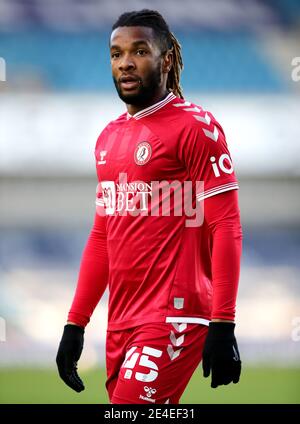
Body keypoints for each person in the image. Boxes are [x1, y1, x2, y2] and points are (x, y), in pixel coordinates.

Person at [56, 9, 243, 404]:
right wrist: (76, 322)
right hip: (121, 320)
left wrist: (223, 322)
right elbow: (102, 236)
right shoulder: (108, 138)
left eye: (139, 51)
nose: (125, 61)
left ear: (166, 60)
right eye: (116, 53)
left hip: (174, 315)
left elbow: (225, 225)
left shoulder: (195, 128)